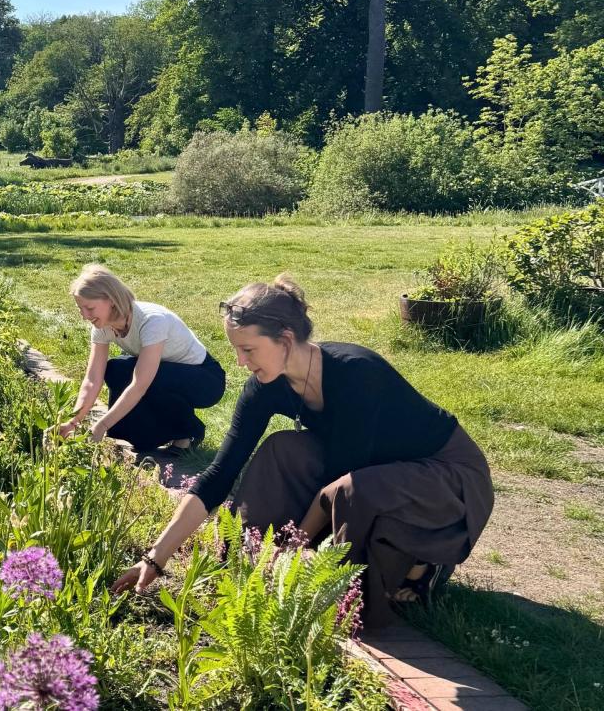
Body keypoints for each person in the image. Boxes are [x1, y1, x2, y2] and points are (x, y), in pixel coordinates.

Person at [110, 275, 494, 627]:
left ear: (286, 339)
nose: (241, 362)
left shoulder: (358, 374)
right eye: (237, 350)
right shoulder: (265, 387)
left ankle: (422, 564)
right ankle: (252, 556)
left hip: (444, 476)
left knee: (352, 493)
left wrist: (294, 548)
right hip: (378, 466)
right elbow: (219, 475)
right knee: (282, 450)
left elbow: (341, 479)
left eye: (249, 349)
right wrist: (155, 559)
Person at [58, 264, 225, 455]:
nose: (84, 316)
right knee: (116, 370)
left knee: (148, 378)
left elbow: (140, 385)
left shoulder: (152, 320)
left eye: (89, 308)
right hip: (166, 374)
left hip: (206, 380)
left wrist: (102, 425)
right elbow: (92, 379)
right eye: (80, 309)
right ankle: (148, 436)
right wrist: (73, 422)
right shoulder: (102, 327)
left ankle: (190, 431)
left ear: (111, 299)